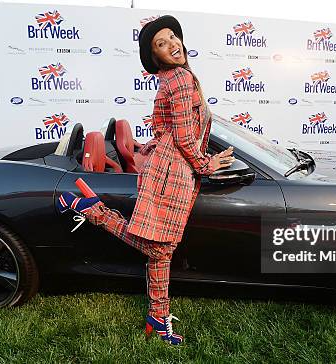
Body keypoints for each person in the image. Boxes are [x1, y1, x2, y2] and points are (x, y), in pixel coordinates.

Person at [56, 16, 234, 345]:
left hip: (170, 167)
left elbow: (165, 129)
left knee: (160, 252)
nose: (172, 45)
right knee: (160, 249)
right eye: (161, 44)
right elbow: (182, 136)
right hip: (174, 172)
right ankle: (94, 211)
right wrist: (207, 164)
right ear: (154, 57)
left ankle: (156, 317)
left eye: (172, 37)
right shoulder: (180, 79)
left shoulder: (173, 78)